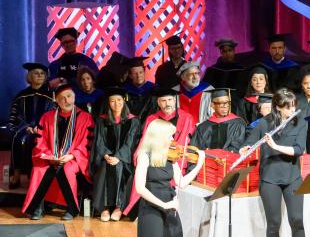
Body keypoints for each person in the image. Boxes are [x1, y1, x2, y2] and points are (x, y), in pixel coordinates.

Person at [128, 119, 205, 237]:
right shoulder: (144, 156)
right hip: (152, 207)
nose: (173, 139)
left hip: (170, 206)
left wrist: (198, 165)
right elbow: (140, 188)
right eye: (170, 135)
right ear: (159, 136)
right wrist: (164, 204)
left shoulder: (171, 158)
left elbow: (181, 182)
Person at [239, 88, 310, 237]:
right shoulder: (265, 123)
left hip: (292, 177)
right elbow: (247, 142)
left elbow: (298, 150)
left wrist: (276, 147)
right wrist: (246, 148)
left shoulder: (301, 123)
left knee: (297, 220)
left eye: (293, 106)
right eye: (287, 107)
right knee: (274, 224)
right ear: (278, 108)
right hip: (270, 178)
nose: (291, 110)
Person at [21, 84, 94, 220]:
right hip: (50, 156)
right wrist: (48, 156)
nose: (67, 101)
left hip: (74, 158)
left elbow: (86, 143)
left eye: (69, 96)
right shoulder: (47, 117)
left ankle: (71, 209)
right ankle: (38, 206)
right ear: (56, 101)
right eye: (62, 98)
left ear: (74, 97)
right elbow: (40, 141)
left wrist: (72, 155)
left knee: (66, 170)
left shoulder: (85, 117)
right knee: (39, 170)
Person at [123, 87, 196, 218]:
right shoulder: (152, 118)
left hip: (176, 159)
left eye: (170, 100)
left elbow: (187, 143)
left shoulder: (187, 118)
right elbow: (145, 142)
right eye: (163, 100)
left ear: (175, 100)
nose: (167, 103)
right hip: (154, 159)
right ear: (158, 102)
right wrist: (140, 157)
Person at [90, 87, 140, 222]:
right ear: (108, 103)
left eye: (119, 100)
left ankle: (119, 207)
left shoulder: (133, 121)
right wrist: (106, 155)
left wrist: (118, 157)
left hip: (125, 159)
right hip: (105, 158)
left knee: (119, 167)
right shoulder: (102, 120)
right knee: (105, 167)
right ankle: (105, 207)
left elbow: (130, 143)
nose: (116, 104)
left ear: (124, 101)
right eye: (112, 101)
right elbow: (99, 141)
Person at [7, 62, 56, 189]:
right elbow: (15, 116)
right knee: (17, 138)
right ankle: (16, 174)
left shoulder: (51, 96)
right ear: (29, 76)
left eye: (42, 74)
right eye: (36, 73)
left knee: (35, 140)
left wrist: (40, 127)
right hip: (24, 128)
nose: (39, 76)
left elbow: (53, 115)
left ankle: (34, 175)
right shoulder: (21, 95)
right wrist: (26, 126)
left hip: (44, 129)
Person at [204, 38, 249, 103]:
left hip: (236, 102)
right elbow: (207, 89)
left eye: (229, 50)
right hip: (217, 102)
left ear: (234, 51)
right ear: (221, 53)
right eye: (224, 51)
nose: (227, 54)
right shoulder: (212, 70)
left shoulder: (242, 70)